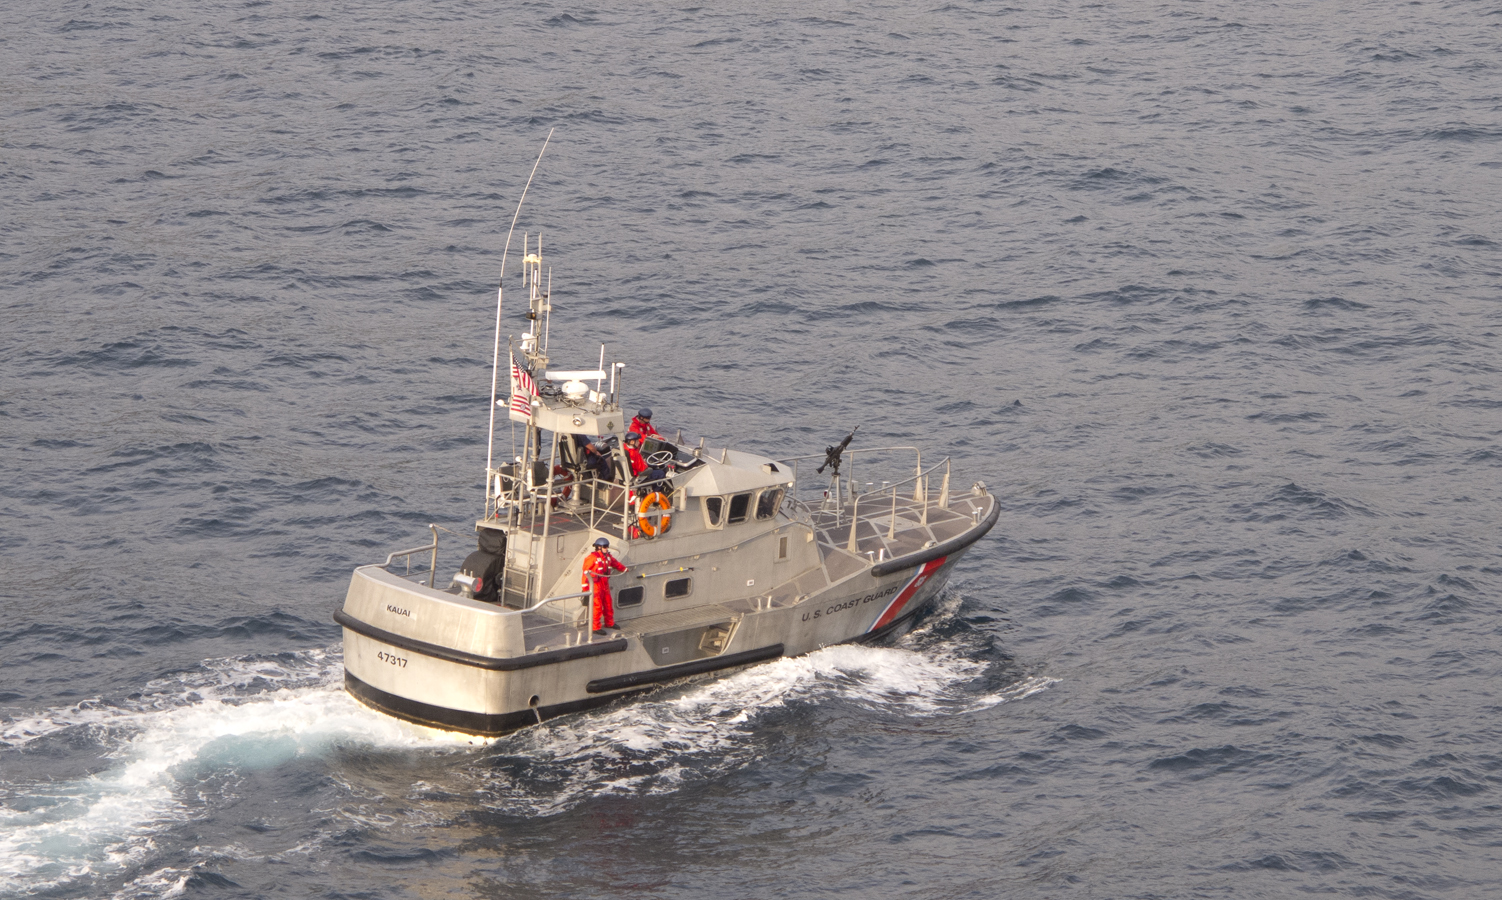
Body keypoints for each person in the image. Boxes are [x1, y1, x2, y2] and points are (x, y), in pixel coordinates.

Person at [581, 537, 626, 635]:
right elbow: (585, 573)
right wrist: (585, 588)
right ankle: (595, 627)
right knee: (597, 607)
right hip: (596, 585)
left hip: (605, 584)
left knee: (608, 604)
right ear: (599, 547)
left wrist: (624, 569)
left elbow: (615, 564)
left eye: (607, 546)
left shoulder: (608, 557)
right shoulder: (592, 558)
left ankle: (609, 623)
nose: (606, 548)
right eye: (605, 546)